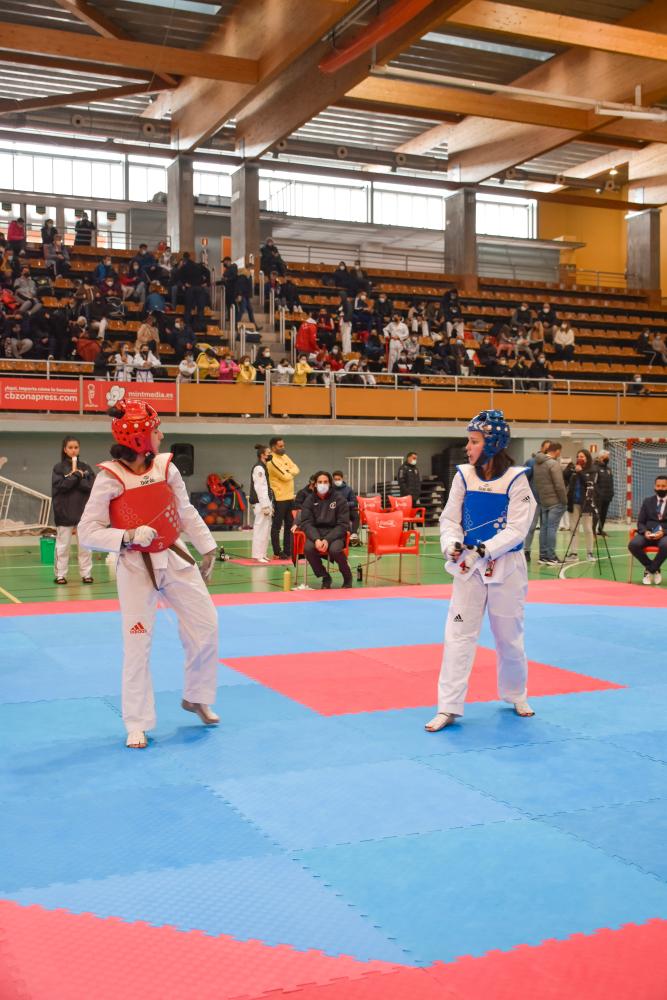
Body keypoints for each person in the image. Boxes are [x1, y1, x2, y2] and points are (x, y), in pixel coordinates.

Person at [77, 400, 219, 749]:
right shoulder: (110, 477)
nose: (162, 435)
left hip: (174, 557)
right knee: (137, 645)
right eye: (156, 430)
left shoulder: (167, 467)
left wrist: (208, 547)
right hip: (135, 566)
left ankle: (197, 695)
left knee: (207, 626)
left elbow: (184, 510)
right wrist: (125, 536)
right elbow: (87, 531)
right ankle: (137, 722)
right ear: (140, 438)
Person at [425, 410, 536, 731]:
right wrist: (452, 545)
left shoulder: (517, 479)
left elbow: (517, 529)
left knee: (509, 639)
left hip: (506, 568)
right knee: (458, 635)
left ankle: (516, 694)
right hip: (469, 568)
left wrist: (485, 550)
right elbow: (449, 519)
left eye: (474, 442)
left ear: (492, 445)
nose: (467, 447)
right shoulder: (463, 475)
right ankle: (448, 706)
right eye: (469, 441)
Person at [51, 436, 95, 585]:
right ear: (65, 449)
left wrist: (76, 477)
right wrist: (77, 475)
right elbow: (62, 487)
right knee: (63, 547)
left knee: (85, 547)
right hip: (64, 512)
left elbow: (91, 486)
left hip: (83, 514)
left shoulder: (86, 467)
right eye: (70, 447)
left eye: (76, 447)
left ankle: (86, 574)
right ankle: (60, 575)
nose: (73, 450)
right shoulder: (58, 468)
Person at [300, 471, 352, 589]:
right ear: (315, 484)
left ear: (330, 483)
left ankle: (347, 576)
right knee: (308, 549)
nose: (322, 484)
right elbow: (306, 523)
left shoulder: (339, 499)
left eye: (325, 482)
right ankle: (325, 576)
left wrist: (327, 540)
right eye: (320, 482)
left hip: (335, 533)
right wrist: (316, 539)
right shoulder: (309, 500)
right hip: (316, 533)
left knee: (335, 550)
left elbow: (343, 524)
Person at [628, 475, 667, 585]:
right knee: (633, 545)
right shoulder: (647, 501)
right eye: (658, 486)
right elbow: (640, 522)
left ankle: (649, 570)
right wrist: (645, 532)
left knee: (666, 545)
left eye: (663, 486)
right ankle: (655, 569)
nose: (660, 488)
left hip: (664, 535)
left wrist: (663, 532)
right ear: (654, 487)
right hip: (648, 533)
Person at [534, 442, 567, 565]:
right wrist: (564, 501)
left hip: (543, 501)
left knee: (544, 528)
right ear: (557, 451)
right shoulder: (553, 464)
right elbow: (559, 485)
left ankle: (543, 556)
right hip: (555, 502)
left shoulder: (537, 464)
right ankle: (552, 557)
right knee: (552, 528)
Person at [267, 436, 299, 560]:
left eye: (283, 445)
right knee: (276, 526)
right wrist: (289, 472)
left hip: (290, 497)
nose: (283, 448)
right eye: (280, 446)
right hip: (279, 498)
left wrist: (288, 471)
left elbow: (297, 469)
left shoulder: (285, 457)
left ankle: (287, 550)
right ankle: (277, 551)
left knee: (289, 525)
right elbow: (285, 477)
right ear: (273, 447)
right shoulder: (271, 461)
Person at [564, 448, 597, 560]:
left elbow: (589, 482)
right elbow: (565, 477)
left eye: (582, 456)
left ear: (587, 458)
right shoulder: (574, 469)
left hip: (586, 504)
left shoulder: (592, 470)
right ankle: (574, 553)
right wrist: (568, 469)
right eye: (578, 456)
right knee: (573, 528)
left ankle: (590, 553)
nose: (579, 458)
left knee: (588, 528)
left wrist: (580, 472)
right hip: (573, 503)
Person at [250, 444, 274, 563]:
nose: (270, 454)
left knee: (265, 529)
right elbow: (260, 487)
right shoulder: (258, 468)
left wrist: (270, 505)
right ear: (262, 455)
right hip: (260, 503)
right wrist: (265, 505)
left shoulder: (264, 467)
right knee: (260, 528)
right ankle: (257, 555)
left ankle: (263, 554)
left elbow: (267, 488)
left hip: (265, 502)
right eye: (268, 452)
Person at [332, 470, 359, 543]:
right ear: (333, 479)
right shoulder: (330, 489)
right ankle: (348, 536)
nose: (337, 481)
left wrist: (345, 504)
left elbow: (354, 502)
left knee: (355, 515)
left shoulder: (348, 489)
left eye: (339, 479)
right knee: (343, 518)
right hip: (335, 511)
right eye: (335, 479)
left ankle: (354, 534)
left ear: (342, 479)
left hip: (348, 509)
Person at [593, 450, 614, 535]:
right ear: (601, 457)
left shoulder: (608, 469)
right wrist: (597, 494)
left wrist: (611, 493)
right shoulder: (595, 467)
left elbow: (611, 482)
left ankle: (600, 530)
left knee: (603, 514)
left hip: (607, 496)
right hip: (598, 497)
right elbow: (594, 483)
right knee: (596, 514)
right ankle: (593, 531)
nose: (608, 458)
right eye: (606, 457)